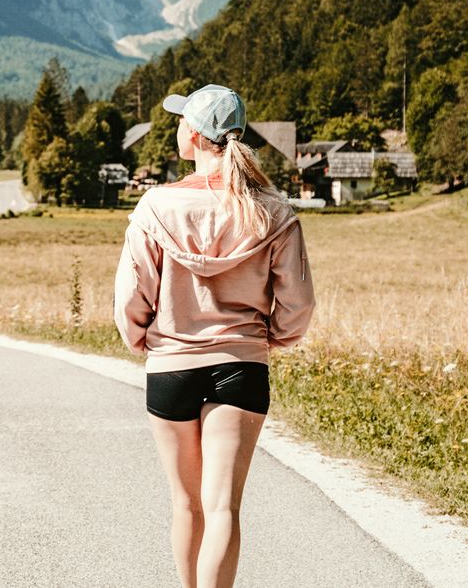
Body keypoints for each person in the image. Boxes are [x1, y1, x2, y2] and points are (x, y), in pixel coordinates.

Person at [114, 84, 314, 588]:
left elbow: (131, 296)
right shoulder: (274, 211)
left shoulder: (155, 207)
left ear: (197, 135)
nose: (177, 126)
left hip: (171, 367)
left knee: (186, 504)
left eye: (183, 120)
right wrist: (272, 338)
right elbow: (298, 303)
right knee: (223, 506)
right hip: (243, 366)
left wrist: (143, 340)